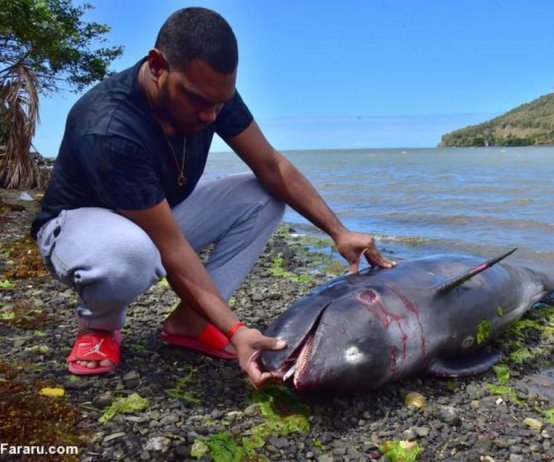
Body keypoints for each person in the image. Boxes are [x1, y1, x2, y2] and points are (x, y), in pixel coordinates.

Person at [31, 7, 395, 388]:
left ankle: (190, 321)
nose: (210, 115)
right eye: (198, 101)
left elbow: (271, 165)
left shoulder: (210, 93)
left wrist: (338, 231)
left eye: (219, 103)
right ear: (157, 65)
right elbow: (169, 247)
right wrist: (237, 330)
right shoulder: (109, 127)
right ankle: (99, 327)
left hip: (154, 215)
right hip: (78, 227)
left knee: (263, 195)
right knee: (130, 256)